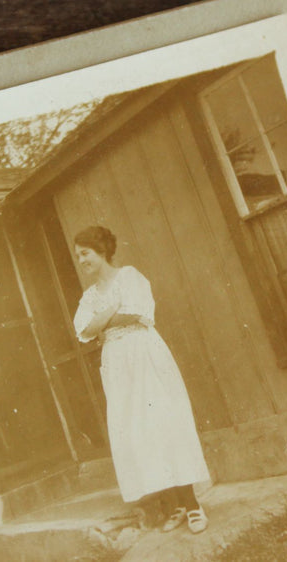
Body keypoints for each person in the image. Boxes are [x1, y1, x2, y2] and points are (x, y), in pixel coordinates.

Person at [72, 225, 211, 534]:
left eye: (86, 254)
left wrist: (103, 320)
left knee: (163, 422)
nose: (82, 261)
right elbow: (83, 329)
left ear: (103, 251)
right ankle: (173, 505)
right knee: (137, 432)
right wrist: (111, 310)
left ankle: (192, 505)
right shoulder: (90, 296)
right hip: (117, 364)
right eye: (78, 256)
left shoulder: (130, 277)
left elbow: (135, 314)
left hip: (144, 354)